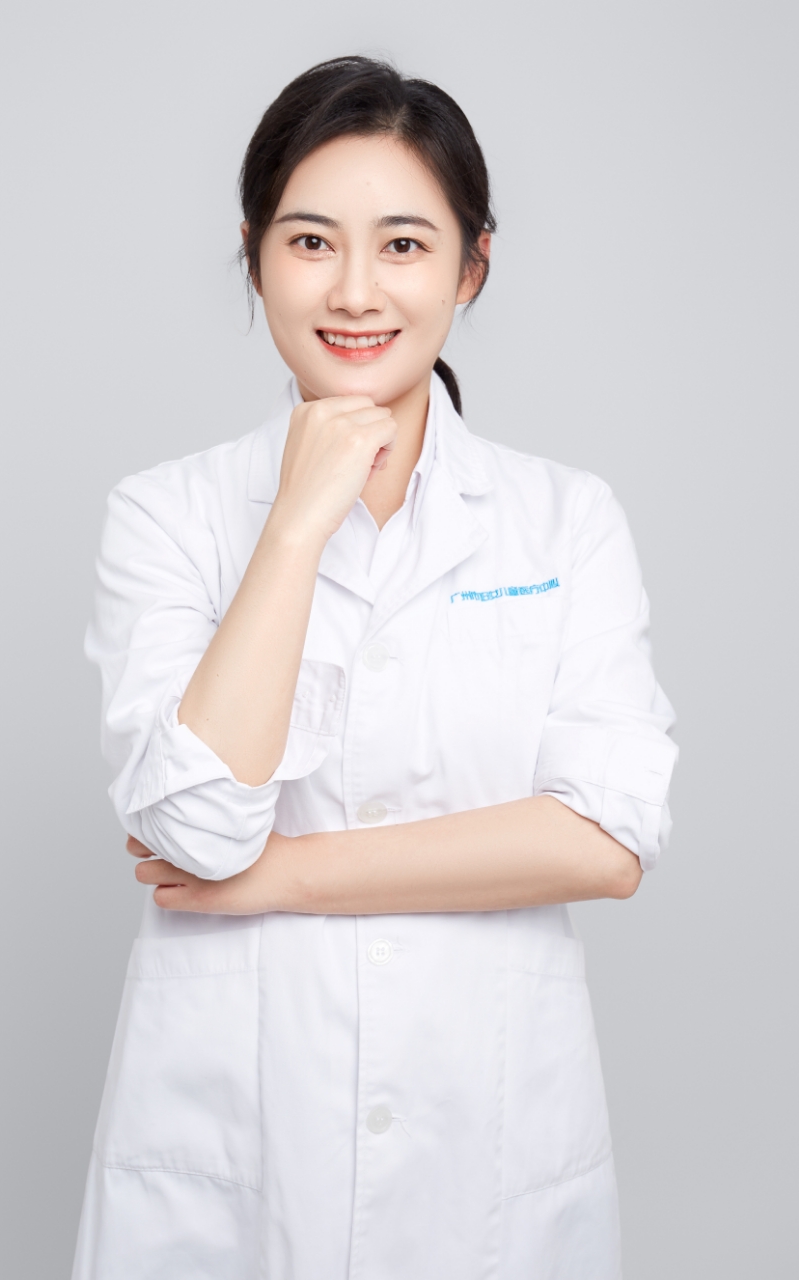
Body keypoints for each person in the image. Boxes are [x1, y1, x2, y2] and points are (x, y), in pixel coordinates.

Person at [72, 55, 678, 1280]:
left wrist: (282, 877)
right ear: (254, 257)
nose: (354, 290)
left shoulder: (564, 519)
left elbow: (605, 839)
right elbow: (197, 824)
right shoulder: (167, 514)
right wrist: (295, 525)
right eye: (310, 241)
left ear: (471, 266)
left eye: (403, 244)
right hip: (237, 1145)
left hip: (487, 1144)